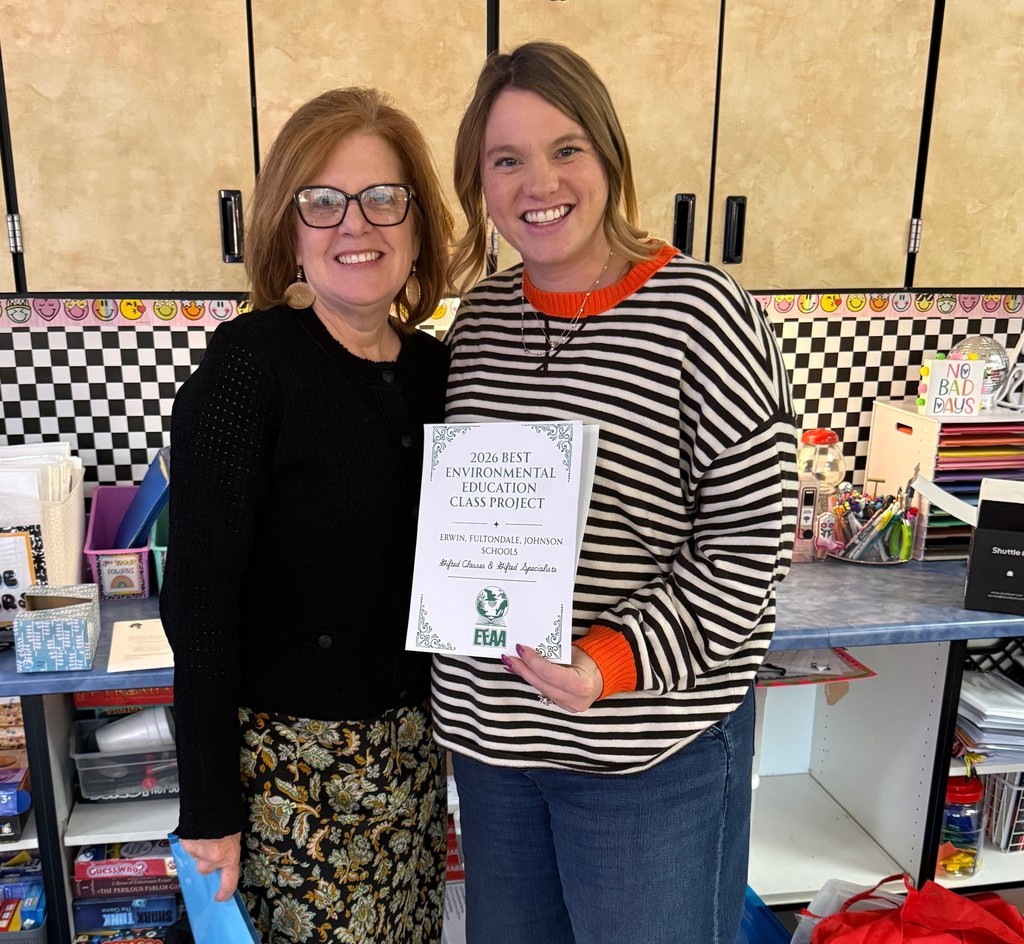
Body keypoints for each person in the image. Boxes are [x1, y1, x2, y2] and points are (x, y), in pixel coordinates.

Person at [434, 42, 798, 944]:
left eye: (566, 150)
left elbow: (752, 548)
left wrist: (608, 661)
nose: (537, 182)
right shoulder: (479, 320)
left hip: (646, 756)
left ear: (609, 156)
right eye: (505, 160)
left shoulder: (702, 312)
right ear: (478, 182)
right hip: (494, 750)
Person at [160, 87, 453, 944]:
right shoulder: (249, 371)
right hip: (289, 782)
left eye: (382, 198)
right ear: (289, 230)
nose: (353, 225)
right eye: (322, 202)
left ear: (416, 223)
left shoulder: (441, 372)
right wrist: (209, 807)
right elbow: (200, 603)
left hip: (411, 759)